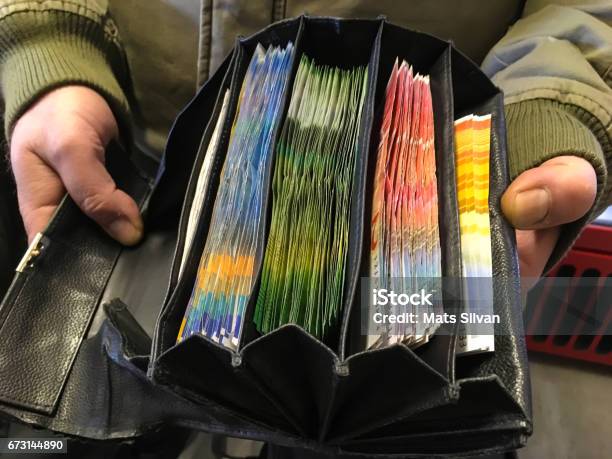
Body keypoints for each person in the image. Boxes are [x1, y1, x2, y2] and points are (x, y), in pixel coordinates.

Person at [0, 0, 610, 458]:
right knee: (92, 430)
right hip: (133, 162)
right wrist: (50, 40)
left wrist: (541, 113)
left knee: (399, 417)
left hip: (432, 178)